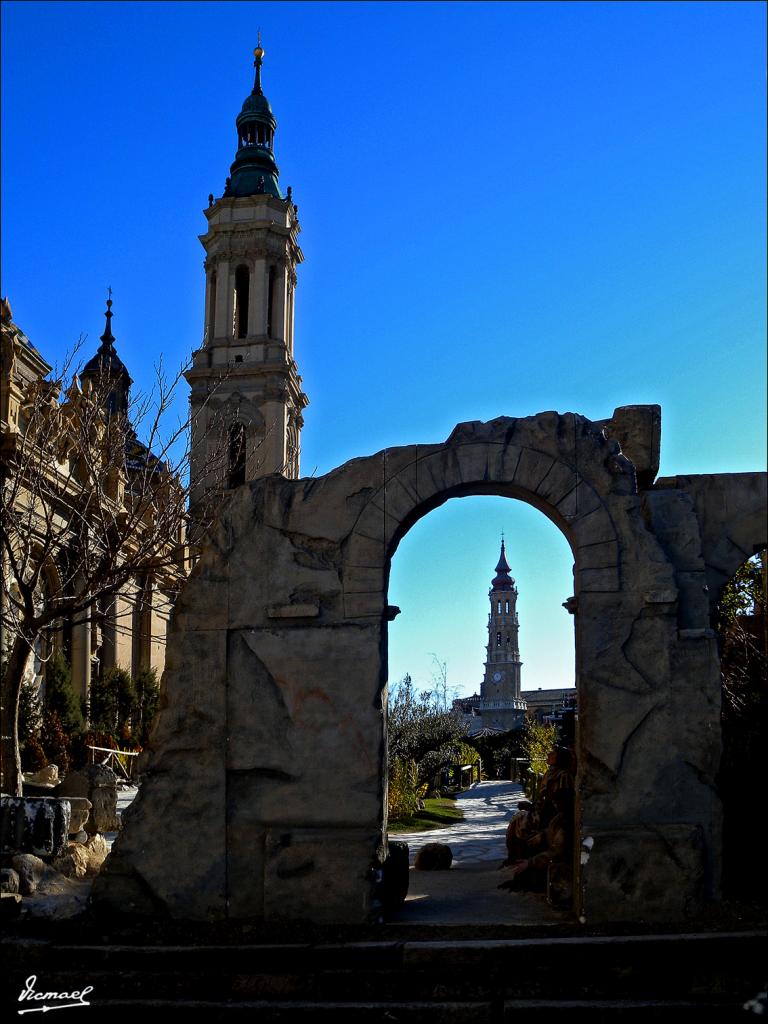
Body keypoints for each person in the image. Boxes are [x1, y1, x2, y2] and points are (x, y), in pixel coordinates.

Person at [503, 745, 573, 865]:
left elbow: (563, 800)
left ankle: (519, 859)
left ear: (559, 758)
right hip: (540, 811)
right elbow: (541, 799)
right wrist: (531, 806)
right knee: (517, 819)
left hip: (550, 815)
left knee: (520, 820)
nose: (548, 754)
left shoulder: (563, 776)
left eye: (552, 753)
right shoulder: (549, 773)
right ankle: (514, 857)